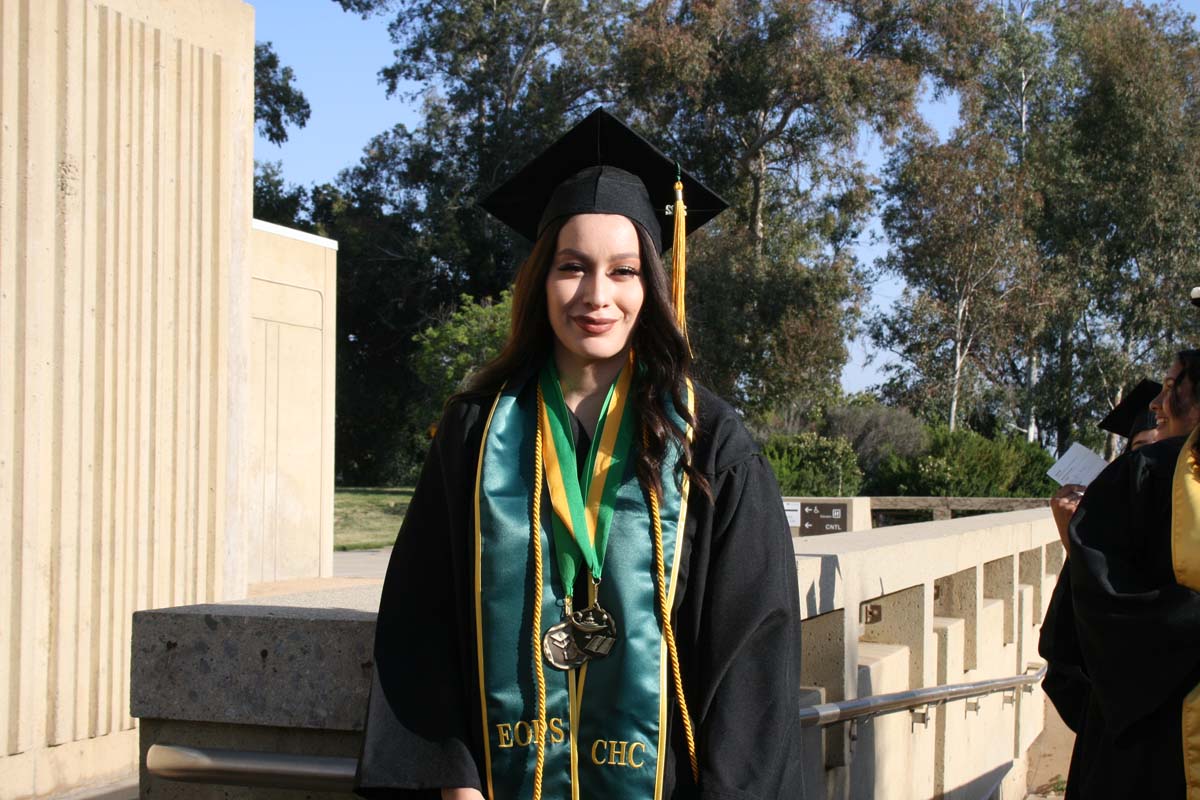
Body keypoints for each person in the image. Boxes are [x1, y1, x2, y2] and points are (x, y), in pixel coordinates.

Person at [354, 109, 804, 800]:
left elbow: (753, 654)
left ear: (652, 283)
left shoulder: (709, 441)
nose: (597, 295)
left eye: (623, 271)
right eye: (572, 267)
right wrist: (455, 779)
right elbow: (421, 620)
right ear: (541, 279)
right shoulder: (476, 434)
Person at [1039, 350, 1200, 798]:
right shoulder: (1149, 475)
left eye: (1173, 386)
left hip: (1155, 745)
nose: (1158, 403)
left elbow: (1094, 629)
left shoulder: (1146, 474)